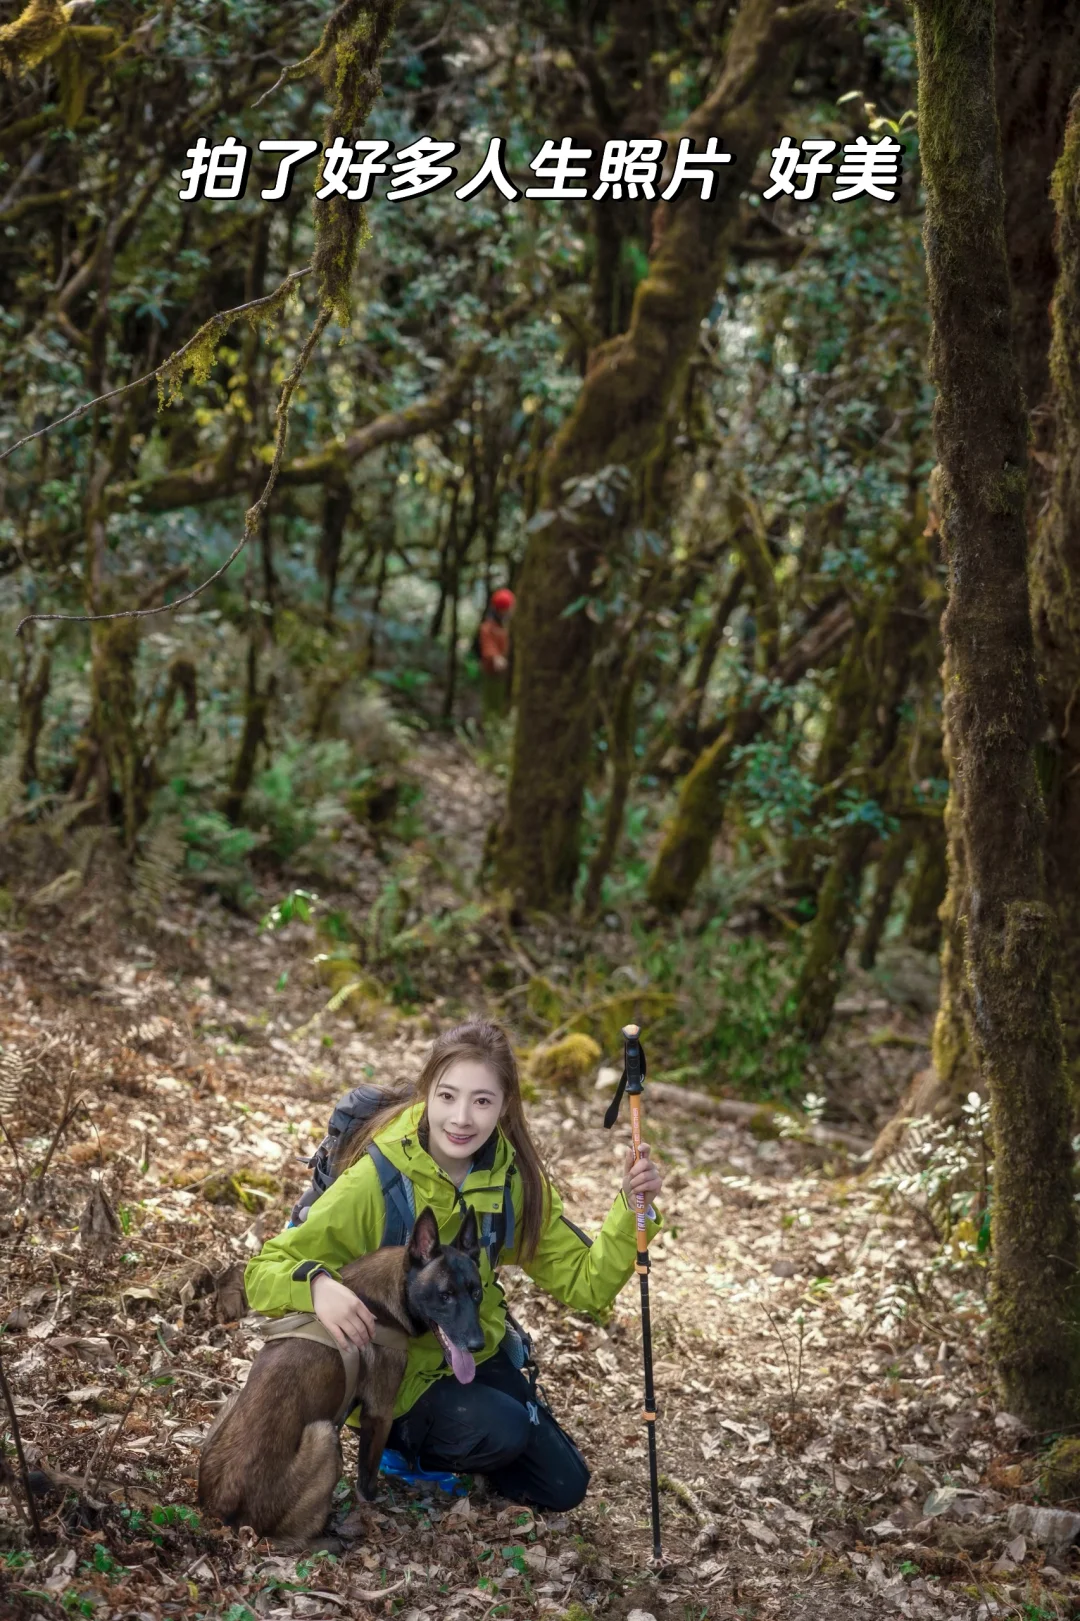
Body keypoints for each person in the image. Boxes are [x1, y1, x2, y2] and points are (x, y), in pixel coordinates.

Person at [244, 1019, 663, 1513]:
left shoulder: (512, 1182)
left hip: (470, 1347)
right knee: (502, 1430)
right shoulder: (376, 1182)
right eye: (447, 1096)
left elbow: (586, 1284)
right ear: (426, 1094)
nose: (462, 1118)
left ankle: (468, 1432)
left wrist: (631, 1208)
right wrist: (316, 1285)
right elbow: (263, 1271)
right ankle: (403, 1448)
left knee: (563, 1486)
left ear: (505, 1105)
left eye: (482, 1101)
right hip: (392, 1375)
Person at [477, 587, 515, 724]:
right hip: (492, 674)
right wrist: (496, 658)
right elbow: (488, 647)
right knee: (491, 704)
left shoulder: (506, 627)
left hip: (506, 675)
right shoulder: (488, 627)